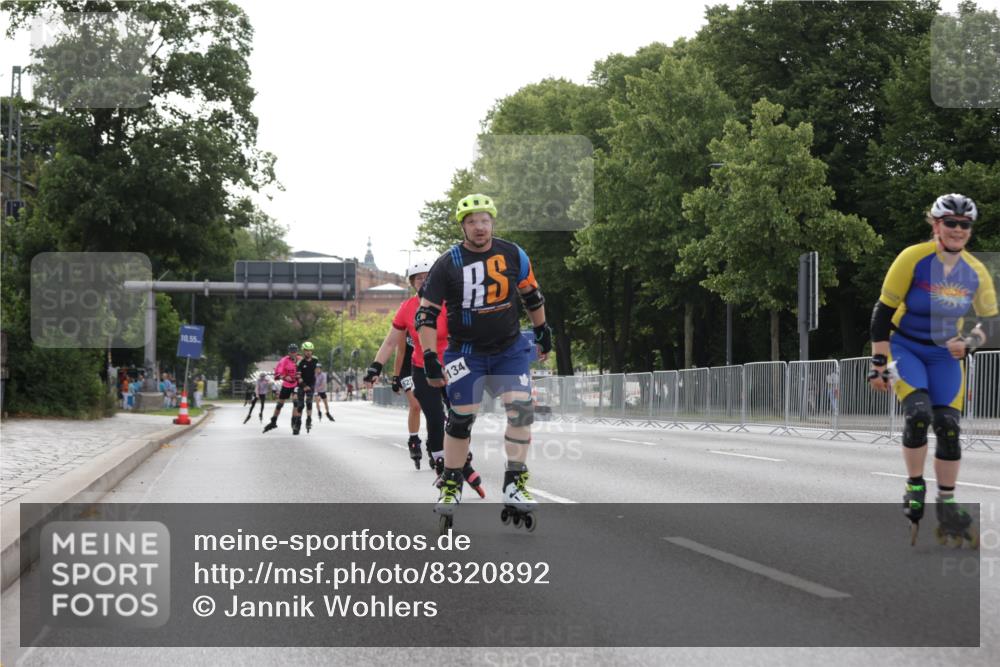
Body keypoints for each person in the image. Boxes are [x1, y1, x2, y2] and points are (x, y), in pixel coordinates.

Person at [416, 194, 552, 530]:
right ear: (463, 226)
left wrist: (542, 330)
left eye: (485, 220)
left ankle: (515, 482)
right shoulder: (448, 263)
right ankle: (450, 483)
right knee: (461, 418)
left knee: (521, 412)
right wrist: (431, 356)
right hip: (465, 353)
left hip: (509, 349)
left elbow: (532, 295)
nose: (480, 227)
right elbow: (426, 315)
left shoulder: (512, 253)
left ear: (493, 222)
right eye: (472, 221)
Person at [869, 193, 996, 548]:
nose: (958, 230)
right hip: (904, 349)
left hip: (944, 355)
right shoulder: (913, 258)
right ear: (936, 224)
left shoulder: (975, 271)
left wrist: (970, 342)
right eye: (950, 223)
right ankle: (913, 485)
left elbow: (989, 321)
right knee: (919, 414)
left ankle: (948, 503)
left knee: (949, 428)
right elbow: (881, 315)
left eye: (965, 225)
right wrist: (879, 364)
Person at [364, 262, 485, 497]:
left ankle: (463, 459)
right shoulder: (407, 308)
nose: (422, 281)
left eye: (426, 277)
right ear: (412, 284)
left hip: (453, 366)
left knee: (460, 417)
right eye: (416, 278)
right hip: (422, 368)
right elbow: (391, 342)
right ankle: (442, 464)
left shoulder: (449, 304)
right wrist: (375, 367)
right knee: (435, 417)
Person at [263, 344, 301, 434]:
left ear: (297, 352)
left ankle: (294, 423)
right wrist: (284, 377)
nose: (293, 354)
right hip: (287, 384)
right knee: (279, 405)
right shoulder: (284, 360)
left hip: (296, 383)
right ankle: (273, 421)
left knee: (296, 402)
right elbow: (278, 372)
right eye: (291, 352)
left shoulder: (300, 360)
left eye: (295, 352)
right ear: (289, 353)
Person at [296, 341, 320, 433]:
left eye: (310, 350)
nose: (308, 352)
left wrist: (317, 372)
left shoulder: (315, 360)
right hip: (302, 384)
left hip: (311, 384)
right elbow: (298, 376)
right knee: (300, 405)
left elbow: (318, 371)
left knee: (309, 402)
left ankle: (309, 419)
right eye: (306, 350)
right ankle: (298, 421)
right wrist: (304, 386)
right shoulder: (300, 362)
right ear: (303, 351)